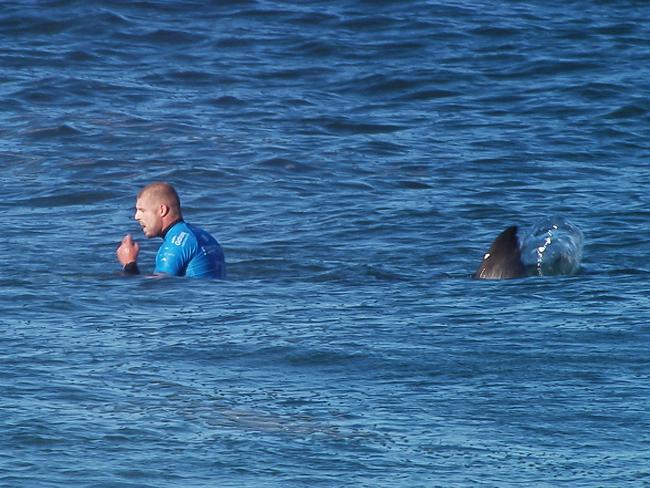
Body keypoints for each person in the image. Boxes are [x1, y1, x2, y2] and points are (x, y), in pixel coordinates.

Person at [116, 182, 226, 279]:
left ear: (162, 210)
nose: (136, 217)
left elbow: (156, 291)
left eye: (142, 210)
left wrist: (129, 263)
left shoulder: (174, 245)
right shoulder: (202, 235)